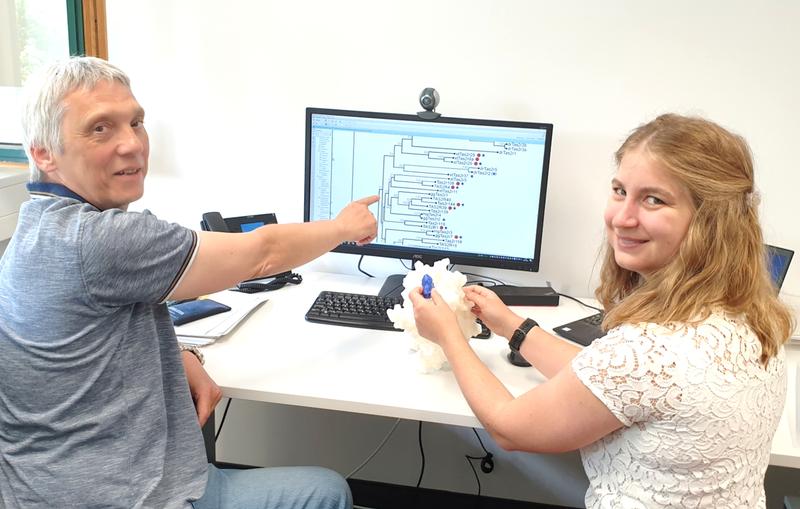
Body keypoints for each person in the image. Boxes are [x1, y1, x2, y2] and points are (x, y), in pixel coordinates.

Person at [0, 56, 378, 509]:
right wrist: (342, 226)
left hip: (47, 486)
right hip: (126, 495)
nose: (132, 145)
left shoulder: (37, 229)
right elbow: (262, 254)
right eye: (100, 128)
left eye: (136, 122)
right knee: (328, 491)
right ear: (43, 152)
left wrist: (178, 354)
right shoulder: (98, 240)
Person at [408, 113, 794, 508]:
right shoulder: (753, 318)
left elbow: (510, 428)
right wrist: (513, 326)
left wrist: (449, 337)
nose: (622, 217)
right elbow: (606, 381)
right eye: (619, 190)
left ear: (711, 221)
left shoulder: (647, 352)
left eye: (653, 199)